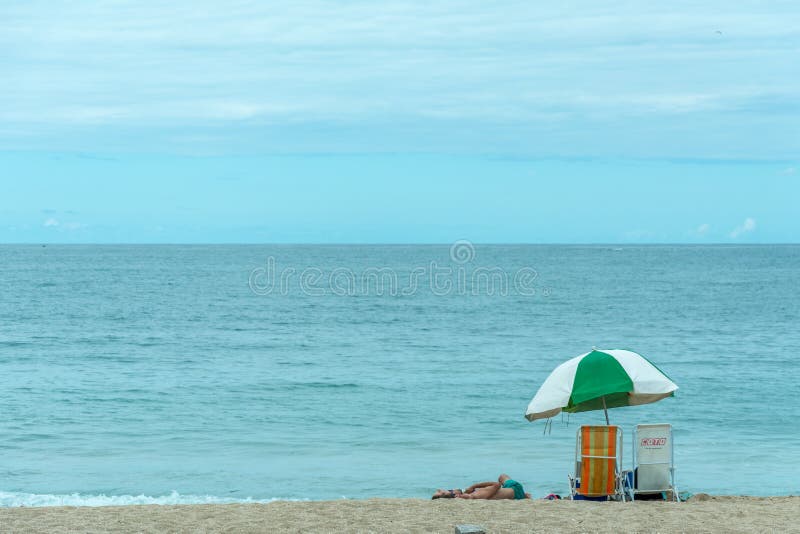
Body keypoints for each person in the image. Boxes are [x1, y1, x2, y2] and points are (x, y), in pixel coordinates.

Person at [432, 474, 530, 500]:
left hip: (511, 494)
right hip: (516, 490)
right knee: (502, 476)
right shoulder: (476, 495)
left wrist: (463, 492)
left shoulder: (460, 496)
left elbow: (458, 492)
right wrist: (474, 485)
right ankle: (524, 495)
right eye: (440, 491)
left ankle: (525, 496)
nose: (439, 489)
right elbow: (497, 485)